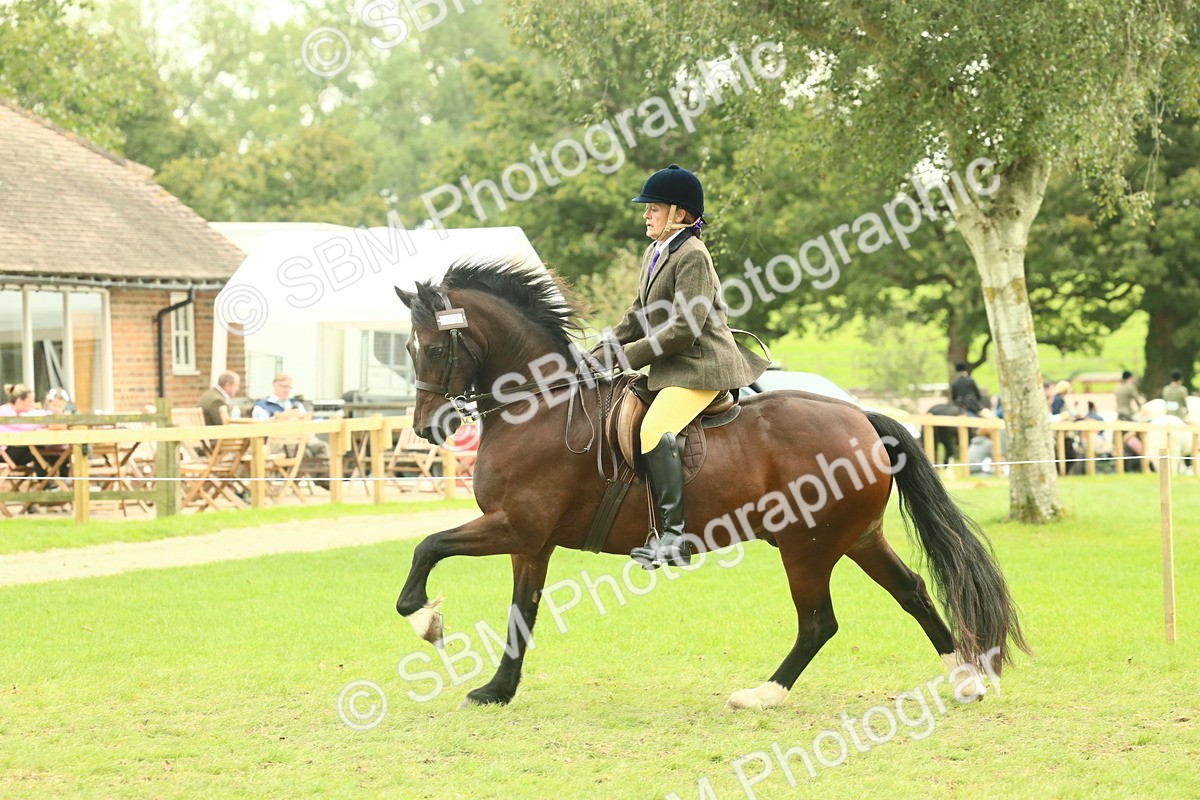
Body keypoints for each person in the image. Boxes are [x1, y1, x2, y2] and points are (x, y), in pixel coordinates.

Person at [594, 165, 769, 569]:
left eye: (653, 208)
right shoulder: (655, 252)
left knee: (655, 429)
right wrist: (599, 351)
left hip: (701, 365)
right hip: (673, 367)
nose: (645, 214)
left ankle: (674, 538)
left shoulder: (693, 255)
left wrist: (623, 358)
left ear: (680, 214)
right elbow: (637, 316)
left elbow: (683, 331)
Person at [252, 373, 330, 488]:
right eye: (284, 386)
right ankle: (299, 482)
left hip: (303, 440)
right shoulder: (262, 406)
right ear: (274, 386)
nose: (287, 390)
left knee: (322, 447)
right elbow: (260, 427)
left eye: (289, 387)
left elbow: (307, 422)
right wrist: (281, 417)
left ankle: (325, 480)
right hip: (277, 444)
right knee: (305, 453)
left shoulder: (296, 404)